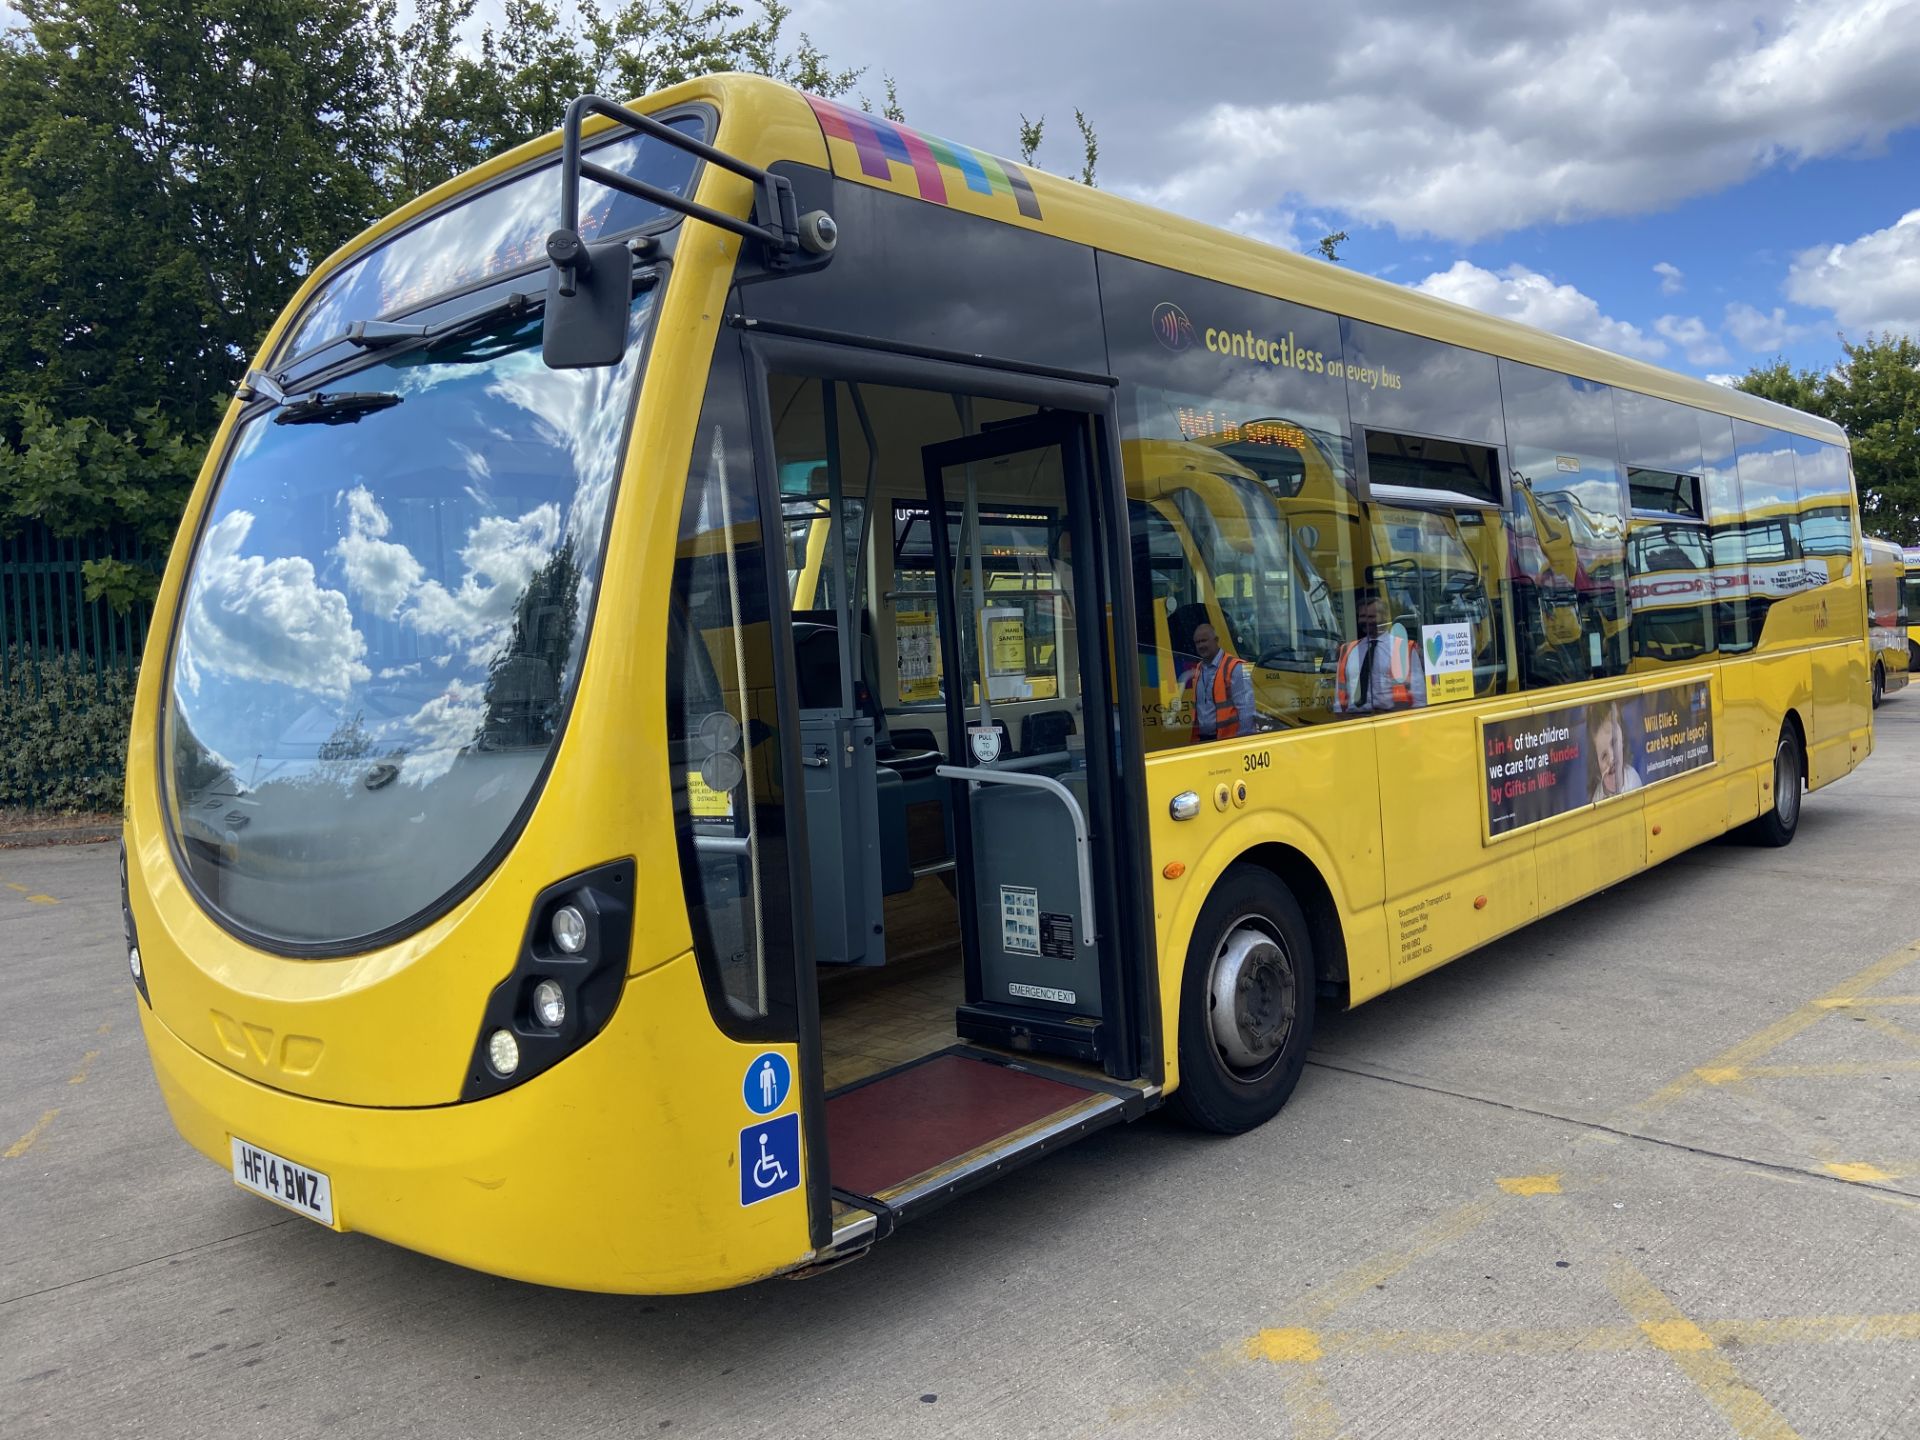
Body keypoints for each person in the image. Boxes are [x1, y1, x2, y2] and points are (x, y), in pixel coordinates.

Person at [1334, 593, 1424, 714]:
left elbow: (1419, 694)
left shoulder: (1404, 648)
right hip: (1354, 719)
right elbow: (1339, 692)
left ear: (1385, 617)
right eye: (1362, 616)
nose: (1366, 621)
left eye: (1371, 616)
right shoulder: (1348, 650)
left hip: (1391, 718)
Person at [1186, 621, 1255, 741]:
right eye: (1197, 642)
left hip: (1228, 743)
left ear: (1216, 640)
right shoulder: (1198, 669)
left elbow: (1246, 712)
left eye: (1204, 640)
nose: (1201, 646)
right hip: (1204, 741)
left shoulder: (1235, 667)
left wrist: (1243, 744)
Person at [1587, 699, 1643, 802]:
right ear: (1597, 763)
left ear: (1623, 742)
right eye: (1604, 755)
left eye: (1613, 743)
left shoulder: (1632, 778)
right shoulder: (1598, 797)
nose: (1611, 758)